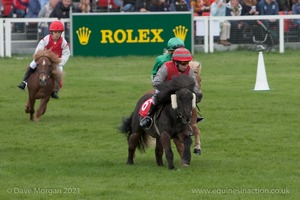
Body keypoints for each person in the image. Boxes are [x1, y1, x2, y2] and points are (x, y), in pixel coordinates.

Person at [140, 47, 203, 130]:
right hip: (165, 90)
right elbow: (156, 82)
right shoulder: (166, 67)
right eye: (184, 63)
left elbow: (194, 84)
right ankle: (149, 117)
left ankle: (192, 119)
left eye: (188, 62)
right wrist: (168, 87)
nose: (186, 65)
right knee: (155, 97)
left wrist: (196, 92)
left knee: (188, 98)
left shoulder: (189, 70)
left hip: (180, 92)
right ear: (176, 62)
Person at [17, 20, 70, 99]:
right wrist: (42, 58)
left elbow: (66, 54)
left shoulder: (64, 42)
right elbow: (39, 49)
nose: (57, 34)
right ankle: (24, 82)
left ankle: (55, 90)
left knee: (60, 71)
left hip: (55, 62)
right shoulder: (46, 39)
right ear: (52, 32)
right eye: (55, 32)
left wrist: (60, 61)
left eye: (59, 32)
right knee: (33, 64)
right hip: (44, 59)